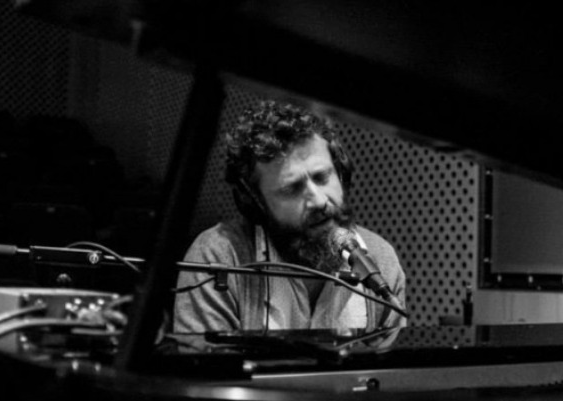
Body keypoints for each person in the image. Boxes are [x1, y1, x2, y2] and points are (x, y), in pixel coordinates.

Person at [173, 100, 407, 333]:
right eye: (292, 189)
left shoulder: (380, 260)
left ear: (341, 172)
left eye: (322, 177)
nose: (319, 200)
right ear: (255, 204)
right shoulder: (219, 257)